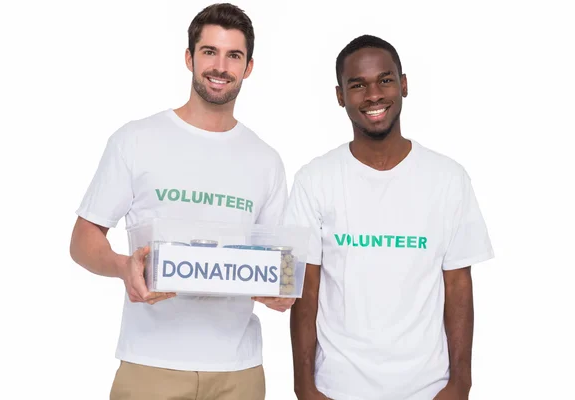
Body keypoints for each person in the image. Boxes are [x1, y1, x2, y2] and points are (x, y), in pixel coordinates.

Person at [69, 3, 294, 399]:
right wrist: (125, 268)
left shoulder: (266, 160)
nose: (220, 66)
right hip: (151, 365)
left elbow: (279, 261)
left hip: (238, 371)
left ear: (249, 67)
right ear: (189, 58)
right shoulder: (136, 140)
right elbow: (83, 240)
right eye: (209, 51)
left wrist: (284, 289)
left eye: (233, 55)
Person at [285, 34, 494, 400]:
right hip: (338, 387)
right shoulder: (315, 180)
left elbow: (459, 286)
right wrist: (304, 387)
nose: (374, 95)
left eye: (385, 80)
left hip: (426, 389)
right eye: (358, 85)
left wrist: (461, 383)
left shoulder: (448, 178)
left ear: (404, 85)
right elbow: (307, 290)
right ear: (340, 96)